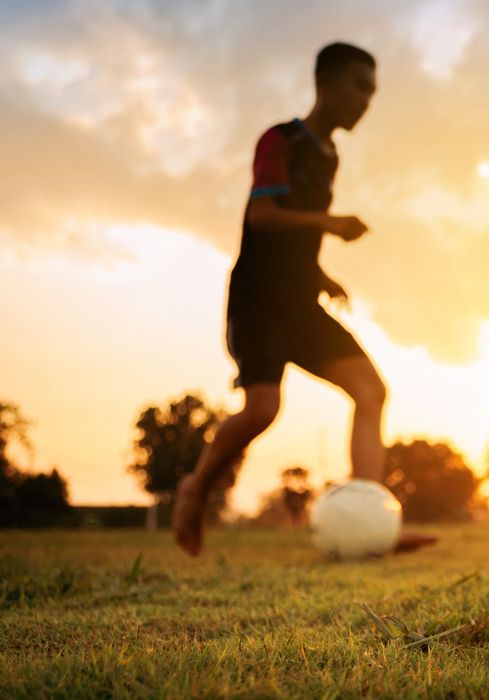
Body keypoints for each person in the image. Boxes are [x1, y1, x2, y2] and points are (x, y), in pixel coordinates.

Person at [174, 43, 434, 556]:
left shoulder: (330, 155)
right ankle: (195, 487)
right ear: (326, 83)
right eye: (360, 87)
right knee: (263, 408)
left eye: (373, 92)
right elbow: (262, 218)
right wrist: (330, 224)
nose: (366, 101)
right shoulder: (281, 139)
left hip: (300, 301)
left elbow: (293, 239)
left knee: (370, 391)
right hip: (259, 299)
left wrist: (321, 274)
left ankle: (370, 520)